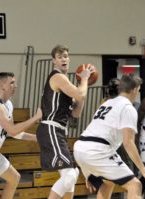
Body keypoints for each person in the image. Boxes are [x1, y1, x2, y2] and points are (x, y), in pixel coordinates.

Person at [74, 74, 145, 199]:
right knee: (135, 185)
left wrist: (89, 169)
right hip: (97, 151)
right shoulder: (128, 108)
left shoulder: (106, 103)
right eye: (138, 90)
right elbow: (128, 142)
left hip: (80, 149)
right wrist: (144, 172)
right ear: (134, 89)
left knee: (107, 183)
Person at [36, 45, 94, 199]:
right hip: (50, 129)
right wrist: (85, 79)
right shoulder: (58, 77)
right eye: (60, 56)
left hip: (58, 131)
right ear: (53, 61)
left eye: (66, 56)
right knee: (70, 175)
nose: (64, 59)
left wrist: (81, 95)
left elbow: (76, 113)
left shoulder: (65, 81)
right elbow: (80, 93)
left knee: (72, 173)